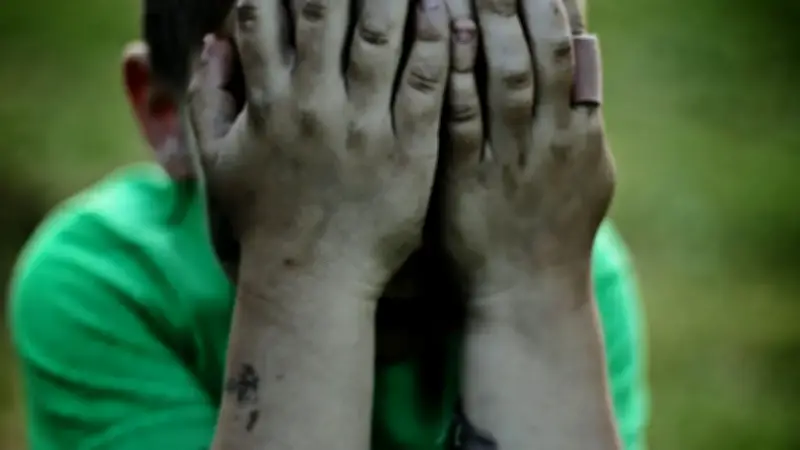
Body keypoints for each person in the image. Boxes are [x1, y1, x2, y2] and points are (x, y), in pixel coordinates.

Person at [7, 0, 648, 448]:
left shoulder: (560, 266)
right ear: (166, 112)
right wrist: (306, 272)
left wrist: (531, 290)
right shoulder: (110, 285)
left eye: (456, 109)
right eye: (306, 130)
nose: (393, 217)